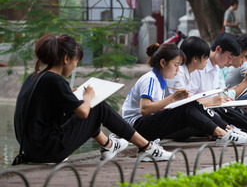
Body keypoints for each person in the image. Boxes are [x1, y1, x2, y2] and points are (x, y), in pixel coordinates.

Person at [13, 34, 167, 164]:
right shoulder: (54, 80)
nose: (75, 67)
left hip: (31, 149)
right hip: (47, 151)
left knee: (85, 106)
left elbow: (47, 109)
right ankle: (147, 148)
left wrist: (70, 95)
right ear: (66, 59)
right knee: (97, 107)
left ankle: (108, 145)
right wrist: (88, 97)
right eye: (75, 62)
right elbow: (83, 113)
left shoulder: (35, 77)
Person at [122, 42, 247, 148]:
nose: (178, 69)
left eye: (179, 65)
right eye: (175, 65)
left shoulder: (161, 79)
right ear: (162, 63)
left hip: (148, 122)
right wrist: (173, 98)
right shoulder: (150, 79)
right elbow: (144, 109)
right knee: (186, 107)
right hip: (136, 127)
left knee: (191, 104)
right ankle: (222, 134)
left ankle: (226, 129)